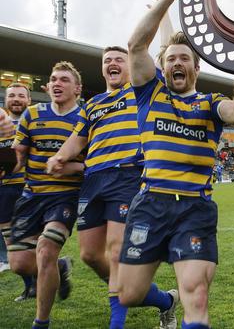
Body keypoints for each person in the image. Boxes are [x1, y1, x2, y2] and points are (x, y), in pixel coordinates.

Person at [117, 0, 234, 329]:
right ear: (162, 66)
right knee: (129, 293)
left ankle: (181, 305)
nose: (177, 63)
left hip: (194, 207)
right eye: (171, 59)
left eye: (185, 59)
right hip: (150, 203)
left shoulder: (210, 103)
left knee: (195, 294)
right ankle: (165, 301)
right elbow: (136, 46)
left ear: (197, 68)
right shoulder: (149, 94)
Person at [46, 46, 178, 329]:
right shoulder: (92, 105)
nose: (113, 63)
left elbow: (154, 55)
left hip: (127, 176)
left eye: (120, 59)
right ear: (103, 69)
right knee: (90, 255)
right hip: (93, 180)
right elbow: (77, 140)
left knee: (117, 250)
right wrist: (59, 156)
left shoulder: (141, 92)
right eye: (107, 61)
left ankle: (116, 322)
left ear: (130, 66)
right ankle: (164, 300)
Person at [10, 61, 83, 329]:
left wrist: (73, 166)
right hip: (31, 196)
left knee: (45, 250)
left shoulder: (84, 119)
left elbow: (96, 163)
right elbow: (19, 158)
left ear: (77, 88)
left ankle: (40, 323)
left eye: (64, 79)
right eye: (53, 79)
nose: (56, 83)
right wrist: (5, 167)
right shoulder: (32, 114)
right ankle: (60, 268)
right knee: (19, 264)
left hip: (64, 198)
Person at [0, 83, 35, 301]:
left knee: (30, 243)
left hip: (28, 189)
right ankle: (31, 285)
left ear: (28, 100)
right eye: (11, 95)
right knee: (11, 245)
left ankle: (52, 270)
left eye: (21, 96)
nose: (16, 99)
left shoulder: (34, 123)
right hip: (3, 191)